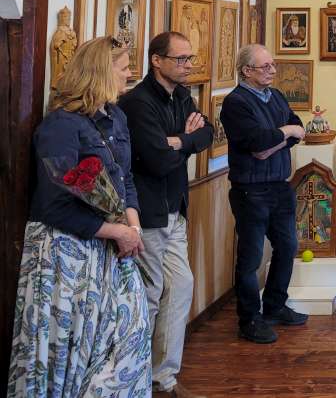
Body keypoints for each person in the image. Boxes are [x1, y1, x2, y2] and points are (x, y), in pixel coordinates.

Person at [7, 37, 151, 395]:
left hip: (114, 245)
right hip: (66, 252)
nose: (130, 74)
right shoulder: (60, 126)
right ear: (101, 72)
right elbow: (53, 204)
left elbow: (125, 179)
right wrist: (116, 231)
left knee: (130, 336)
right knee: (68, 349)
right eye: (124, 68)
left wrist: (132, 227)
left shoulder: (117, 117)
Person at [119, 31, 214, 397]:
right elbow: (158, 161)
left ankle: (164, 378)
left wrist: (179, 140)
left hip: (175, 208)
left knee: (180, 286)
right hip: (148, 213)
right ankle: (135, 377)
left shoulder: (183, 96)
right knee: (149, 294)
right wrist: (183, 141)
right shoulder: (138, 103)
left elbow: (207, 133)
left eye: (190, 58)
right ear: (156, 60)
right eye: (181, 59)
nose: (188, 65)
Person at [221, 44, 308, 344]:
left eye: (273, 65)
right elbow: (257, 140)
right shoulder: (236, 103)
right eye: (265, 66)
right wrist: (284, 134)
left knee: (287, 246)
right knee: (251, 258)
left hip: (280, 185)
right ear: (247, 71)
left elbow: (298, 127)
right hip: (251, 189)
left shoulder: (277, 96)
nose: (272, 70)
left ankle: (274, 305)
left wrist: (275, 142)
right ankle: (249, 319)